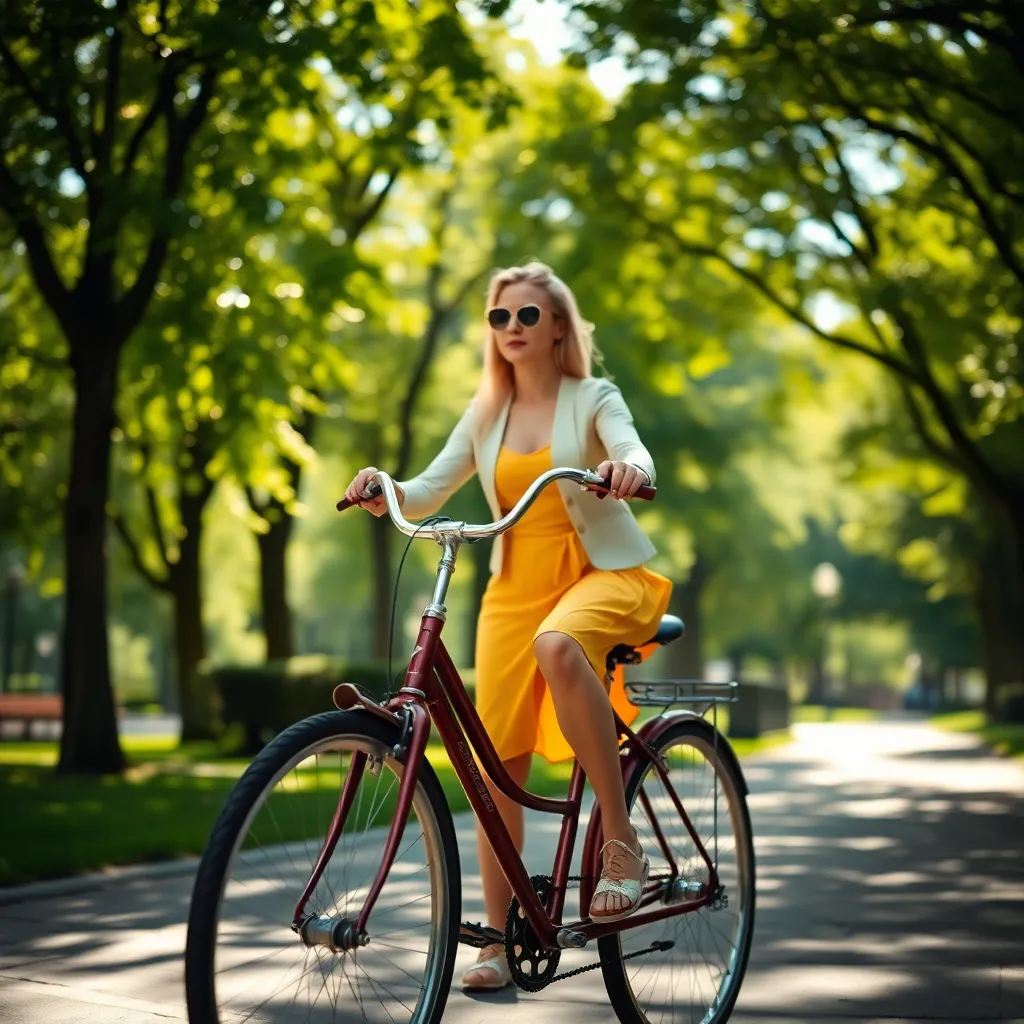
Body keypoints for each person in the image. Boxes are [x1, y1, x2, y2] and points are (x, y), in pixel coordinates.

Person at [343, 261, 672, 991]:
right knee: (493, 771)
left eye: (527, 315)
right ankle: (496, 940)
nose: (512, 327)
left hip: (600, 572)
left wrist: (628, 468)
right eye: (500, 317)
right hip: (512, 589)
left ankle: (620, 841)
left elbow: (632, 446)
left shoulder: (593, 396)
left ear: (557, 326)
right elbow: (429, 487)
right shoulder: (486, 411)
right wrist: (384, 488)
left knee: (559, 644)